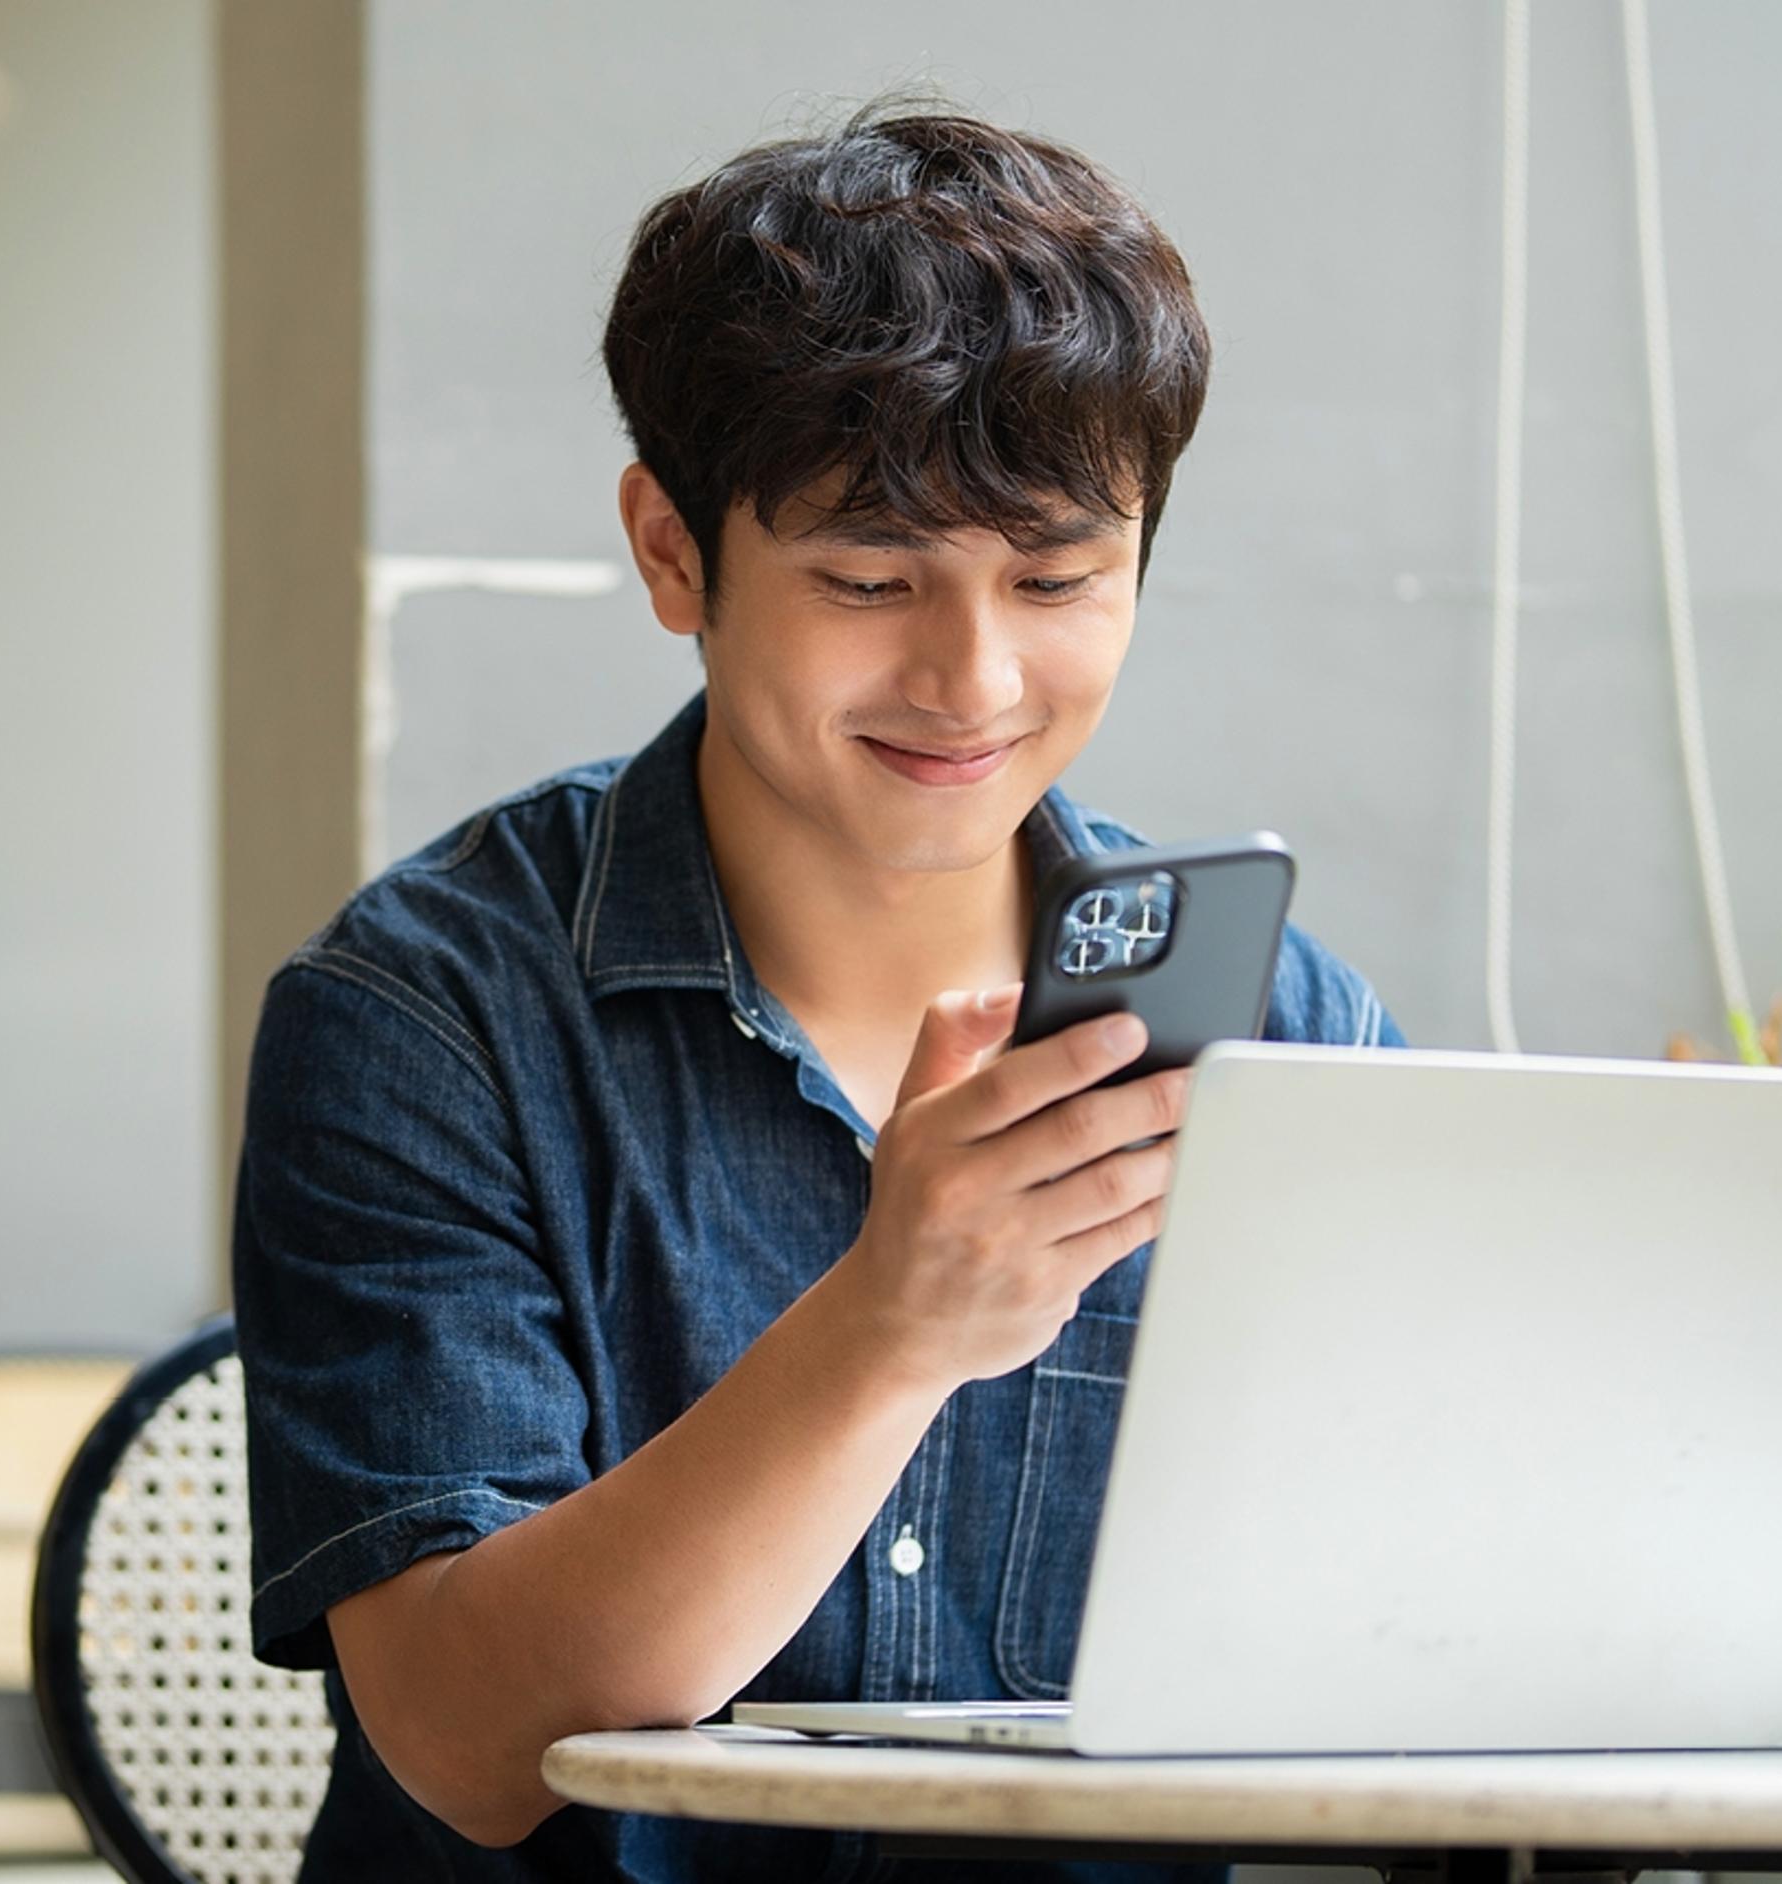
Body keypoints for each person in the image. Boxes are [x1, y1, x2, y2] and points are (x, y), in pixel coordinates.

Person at [233, 101, 1405, 1881]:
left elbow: (1413, 1634)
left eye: (1060, 578)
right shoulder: (423, 1022)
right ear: (671, 553)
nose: (975, 676)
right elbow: (472, 1746)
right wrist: (892, 1330)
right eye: (870, 580)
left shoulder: (1273, 1033)